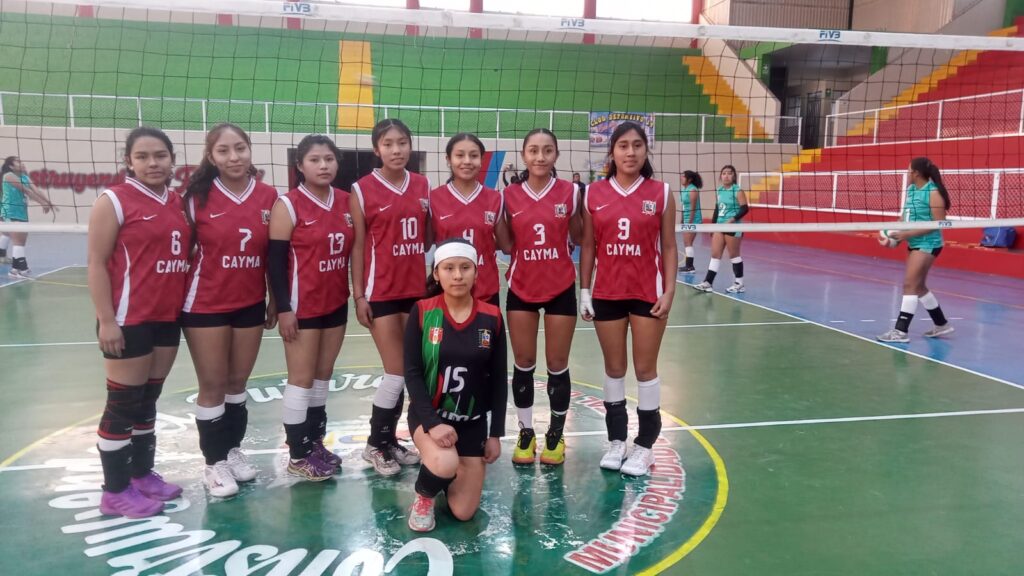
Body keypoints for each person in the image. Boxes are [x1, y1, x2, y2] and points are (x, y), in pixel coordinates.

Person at [87, 127, 190, 518]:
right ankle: (114, 491)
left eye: (160, 155)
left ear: (172, 159)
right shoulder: (114, 200)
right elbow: (97, 263)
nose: (153, 163)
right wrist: (106, 320)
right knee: (122, 405)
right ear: (128, 161)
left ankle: (141, 475)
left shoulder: (177, 201)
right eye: (143, 156)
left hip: (167, 317)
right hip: (128, 318)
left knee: (148, 401)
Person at [181, 123, 278, 497]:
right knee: (213, 385)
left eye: (240, 148)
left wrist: (274, 298)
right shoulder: (195, 198)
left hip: (250, 302)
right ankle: (214, 462)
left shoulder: (268, 196)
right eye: (223, 150)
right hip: (205, 303)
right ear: (211, 156)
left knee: (238, 383)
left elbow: (272, 254)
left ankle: (232, 451)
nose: (234, 157)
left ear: (250, 150)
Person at [579, 121, 677, 476]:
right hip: (607, 292)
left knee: (645, 370)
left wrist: (669, 290)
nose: (630, 152)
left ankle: (645, 446)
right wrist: (584, 290)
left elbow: (669, 246)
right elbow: (588, 246)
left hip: (647, 294)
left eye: (637, 145)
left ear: (646, 150)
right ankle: (617, 441)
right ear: (612, 151)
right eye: (623, 145)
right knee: (614, 369)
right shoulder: (593, 194)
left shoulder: (661, 192)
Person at [404, 238, 507, 532]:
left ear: (476, 272)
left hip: (472, 423)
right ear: (436, 273)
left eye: (465, 268)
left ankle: (445, 471)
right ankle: (425, 495)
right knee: (444, 462)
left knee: (463, 512)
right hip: (431, 417)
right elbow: (412, 372)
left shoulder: (491, 317)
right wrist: (433, 423)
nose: (458, 275)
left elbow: (499, 378)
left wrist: (495, 434)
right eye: (449, 268)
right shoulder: (423, 311)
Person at [268, 134, 353, 482]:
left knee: (322, 377)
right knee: (301, 380)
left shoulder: (347, 201)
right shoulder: (288, 205)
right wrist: (283, 308)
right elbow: (275, 262)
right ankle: (298, 454)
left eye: (329, 159)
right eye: (315, 160)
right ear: (300, 166)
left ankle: (315, 443)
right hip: (302, 307)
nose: (323, 165)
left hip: (336, 302)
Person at [351, 119, 427, 476]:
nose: (396, 150)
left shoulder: (423, 185)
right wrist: (358, 295)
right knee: (395, 372)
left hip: (416, 292)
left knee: (410, 372)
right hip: (380, 292)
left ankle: (390, 441)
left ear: (410, 146)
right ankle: (374, 445)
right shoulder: (362, 189)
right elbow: (358, 246)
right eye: (388, 144)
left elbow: (429, 237)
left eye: (402, 143)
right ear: (376, 149)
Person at [502, 128, 580, 466]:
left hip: (560, 285)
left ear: (556, 155)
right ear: (524, 155)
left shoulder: (571, 192)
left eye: (547, 150)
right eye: (533, 150)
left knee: (557, 364)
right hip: (522, 286)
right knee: (523, 362)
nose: (540, 156)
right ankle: (525, 432)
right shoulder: (508, 196)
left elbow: (580, 236)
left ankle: (556, 435)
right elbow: (506, 244)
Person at [877, 157, 955, 343]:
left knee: (909, 285)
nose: (907, 173)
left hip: (929, 243)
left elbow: (938, 224)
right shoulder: (911, 190)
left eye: (909, 170)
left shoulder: (933, 193)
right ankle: (941, 324)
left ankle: (900, 331)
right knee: (918, 286)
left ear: (916, 173)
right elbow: (904, 218)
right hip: (913, 242)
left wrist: (906, 234)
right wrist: (893, 237)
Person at [429, 133, 504, 306]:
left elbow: (505, 244)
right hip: (446, 291)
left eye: (474, 155)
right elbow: (427, 242)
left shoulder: (495, 198)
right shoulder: (434, 198)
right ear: (448, 159)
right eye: (460, 155)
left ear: (482, 160)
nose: (467, 161)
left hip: (486, 290)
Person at [693, 165, 748, 294]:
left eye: (729, 173)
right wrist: (713, 226)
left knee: (734, 255)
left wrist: (732, 219)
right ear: (720, 176)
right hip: (719, 225)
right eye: (724, 173)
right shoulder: (719, 190)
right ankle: (708, 283)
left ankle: (739, 284)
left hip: (733, 226)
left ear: (734, 176)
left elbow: (745, 208)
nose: (726, 176)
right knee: (715, 254)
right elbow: (717, 209)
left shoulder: (738, 190)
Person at [1, 156, 57, 277]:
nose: (22, 163)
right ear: (11, 166)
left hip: (21, 211)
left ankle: (15, 269)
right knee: (18, 240)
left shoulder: (25, 177)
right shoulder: (8, 176)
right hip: (10, 211)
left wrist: (49, 202)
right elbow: (27, 191)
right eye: (18, 162)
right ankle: (22, 268)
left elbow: (36, 191)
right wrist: (42, 203)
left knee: (21, 240)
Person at [678, 170, 703, 273]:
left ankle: (690, 266)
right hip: (686, 219)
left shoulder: (693, 190)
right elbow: (684, 206)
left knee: (688, 242)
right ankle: (689, 266)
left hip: (694, 220)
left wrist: (690, 222)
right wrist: (682, 220)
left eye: (683, 177)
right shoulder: (684, 190)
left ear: (689, 179)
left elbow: (693, 208)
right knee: (687, 242)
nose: (681, 178)